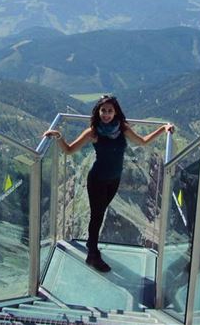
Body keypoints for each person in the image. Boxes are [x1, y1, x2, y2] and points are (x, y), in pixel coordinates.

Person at [43, 95, 174, 272]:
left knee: (101, 213)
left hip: (114, 180)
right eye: (103, 110)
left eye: (110, 111)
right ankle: (92, 255)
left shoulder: (123, 129)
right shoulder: (93, 132)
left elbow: (143, 142)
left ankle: (91, 242)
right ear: (98, 111)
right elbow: (69, 150)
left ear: (115, 112)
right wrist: (58, 136)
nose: (106, 114)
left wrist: (163, 129)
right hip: (97, 180)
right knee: (97, 216)